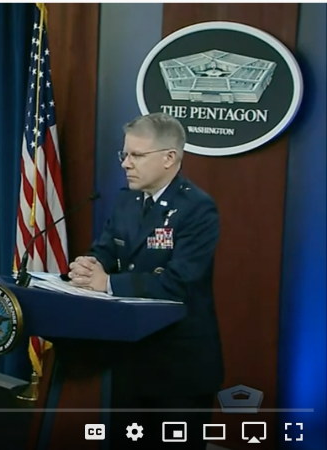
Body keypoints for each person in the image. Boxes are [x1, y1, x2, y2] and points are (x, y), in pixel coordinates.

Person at [68, 112, 224, 449]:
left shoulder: (198, 208)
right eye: (124, 154)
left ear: (169, 158)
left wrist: (107, 283)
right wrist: (89, 265)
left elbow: (178, 283)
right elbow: (107, 248)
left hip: (179, 367)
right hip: (129, 358)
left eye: (136, 155)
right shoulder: (127, 199)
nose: (126, 163)